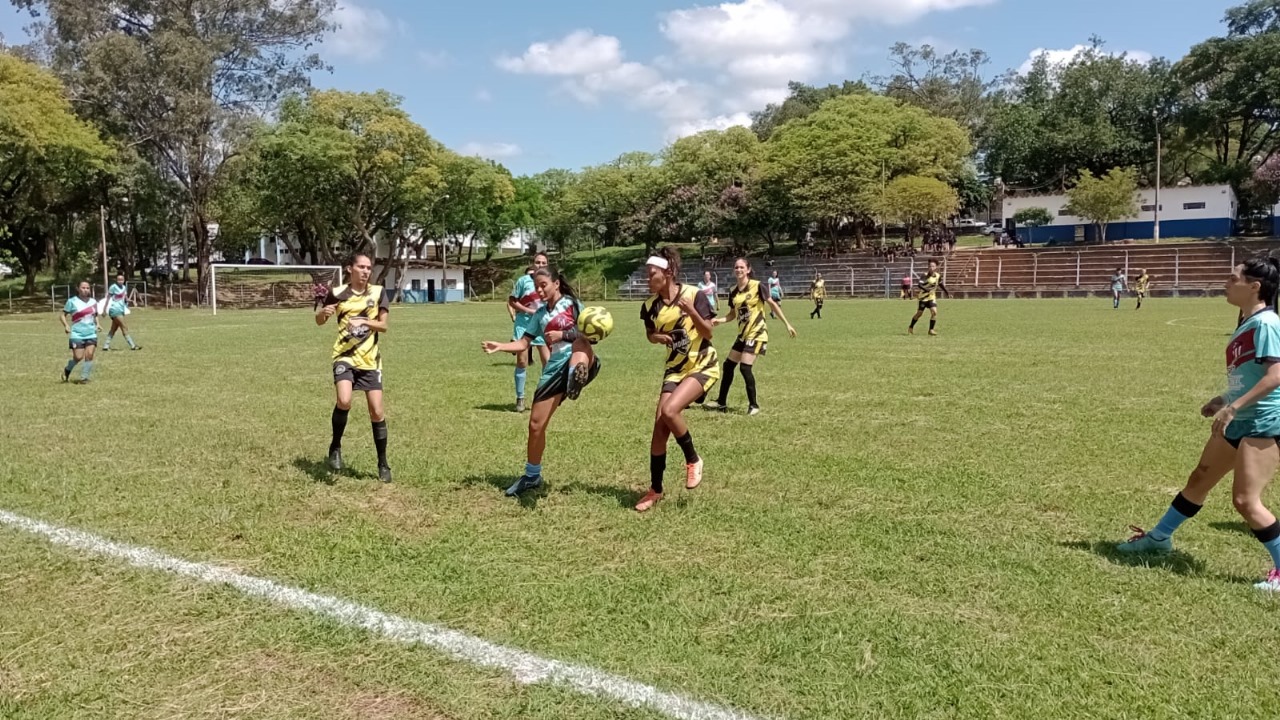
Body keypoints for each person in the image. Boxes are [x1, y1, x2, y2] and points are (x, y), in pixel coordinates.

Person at [1118, 258, 1280, 593]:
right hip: (1239, 417)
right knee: (1199, 480)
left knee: (1246, 501)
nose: (1226, 281)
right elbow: (1248, 376)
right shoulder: (1247, 323)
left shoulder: (1267, 324)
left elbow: (1276, 376)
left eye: (1232, 278)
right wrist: (1223, 399)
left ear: (1254, 287)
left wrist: (1233, 407)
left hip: (1263, 421)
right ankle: (1159, 539)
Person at [482, 268, 600, 496]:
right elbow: (523, 343)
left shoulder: (574, 305)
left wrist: (563, 335)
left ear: (556, 284)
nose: (539, 290)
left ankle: (578, 374)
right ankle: (532, 476)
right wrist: (500, 346)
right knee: (536, 425)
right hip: (555, 367)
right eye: (536, 286)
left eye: (543, 284)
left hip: (579, 355)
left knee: (580, 345)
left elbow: (592, 334)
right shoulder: (539, 315)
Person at [637, 247, 719, 512]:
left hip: (703, 364)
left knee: (670, 410)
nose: (647, 279)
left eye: (652, 275)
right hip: (674, 369)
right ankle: (655, 490)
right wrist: (655, 338)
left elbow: (708, 332)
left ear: (668, 273)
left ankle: (693, 460)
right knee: (659, 429)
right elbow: (650, 333)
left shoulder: (694, 294)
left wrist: (691, 312)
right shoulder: (649, 306)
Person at [315, 253, 393, 483]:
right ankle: (336, 446)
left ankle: (383, 463)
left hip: (370, 360)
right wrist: (323, 314)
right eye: (361, 266)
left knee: (377, 411)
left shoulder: (378, 292)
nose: (366, 271)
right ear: (350, 269)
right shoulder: (337, 293)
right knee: (345, 400)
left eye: (369, 267)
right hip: (344, 356)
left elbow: (384, 326)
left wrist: (364, 322)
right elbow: (319, 321)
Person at [705, 257, 796, 416]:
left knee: (745, 367)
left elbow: (772, 304)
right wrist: (719, 320)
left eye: (741, 267)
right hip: (743, 335)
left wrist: (787, 324)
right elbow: (732, 314)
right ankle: (721, 402)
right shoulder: (733, 291)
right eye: (736, 267)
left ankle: (754, 405)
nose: (738, 270)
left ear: (748, 269)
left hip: (757, 333)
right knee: (728, 366)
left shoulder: (757, 285)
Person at [507, 253, 552, 412]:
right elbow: (512, 301)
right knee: (522, 361)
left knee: (548, 362)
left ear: (547, 264)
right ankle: (520, 398)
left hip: (542, 325)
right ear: (532, 264)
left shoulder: (550, 283)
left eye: (543, 262)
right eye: (537, 262)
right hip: (524, 323)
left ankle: (543, 397)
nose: (540, 265)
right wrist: (527, 310)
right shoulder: (523, 281)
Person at [60, 280, 100, 384]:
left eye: (87, 288)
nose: (85, 290)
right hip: (77, 334)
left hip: (91, 333)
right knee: (78, 357)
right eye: (83, 287)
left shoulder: (93, 302)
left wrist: (98, 324)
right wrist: (66, 326)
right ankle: (67, 369)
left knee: (90, 354)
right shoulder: (72, 301)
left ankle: (84, 377)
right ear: (78, 289)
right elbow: (62, 315)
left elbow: (94, 315)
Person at [908, 259, 950, 336]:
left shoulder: (938, 276)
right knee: (919, 314)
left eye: (933, 266)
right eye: (930, 266)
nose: (931, 267)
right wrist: (927, 289)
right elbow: (919, 285)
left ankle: (931, 330)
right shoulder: (924, 275)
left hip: (931, 297)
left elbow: (940, 284)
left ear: (936, 267)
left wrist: (947, 292)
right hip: (923, 298)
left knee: (934, 312)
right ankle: (911, 327)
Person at [102, 273, 141, 351]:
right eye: (118, 280)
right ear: (116, 280)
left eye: (122, 280)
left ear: (124, 280)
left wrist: (132, 301)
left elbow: (125, 298)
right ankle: (133, 345)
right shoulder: (113, 287)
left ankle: (106, 346)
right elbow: (107, 298)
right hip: (115, 310)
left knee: (113, 329)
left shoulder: (124, 287)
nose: (120, 281)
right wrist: (104, 309)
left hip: (121, 310)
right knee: (124, 327)